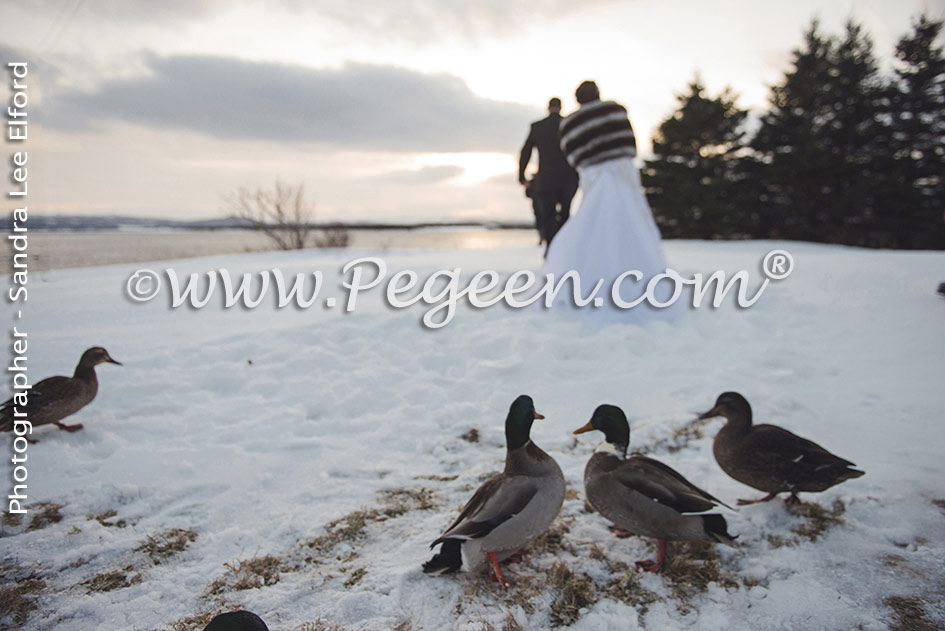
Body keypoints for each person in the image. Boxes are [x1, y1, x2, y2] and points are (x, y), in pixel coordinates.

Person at [542, 81, 682, 323]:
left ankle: (591, 282)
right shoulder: (615, 110)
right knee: (632, 223)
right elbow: (629, 143)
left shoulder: (570, 122)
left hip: (594, 176)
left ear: (578, 99)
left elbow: (573, 153)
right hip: (621, 172)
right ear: (598, 94)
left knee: (594, 223)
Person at [519, 97, 579, 255]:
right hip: (569, 178)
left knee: (548, 215)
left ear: (548, 108)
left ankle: (552, 248)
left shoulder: (538, 127)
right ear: (560, 108)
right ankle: (564, 248)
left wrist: (521, 176)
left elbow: (525, 152)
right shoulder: (570, 124)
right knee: (565, 213)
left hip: (546, 179)